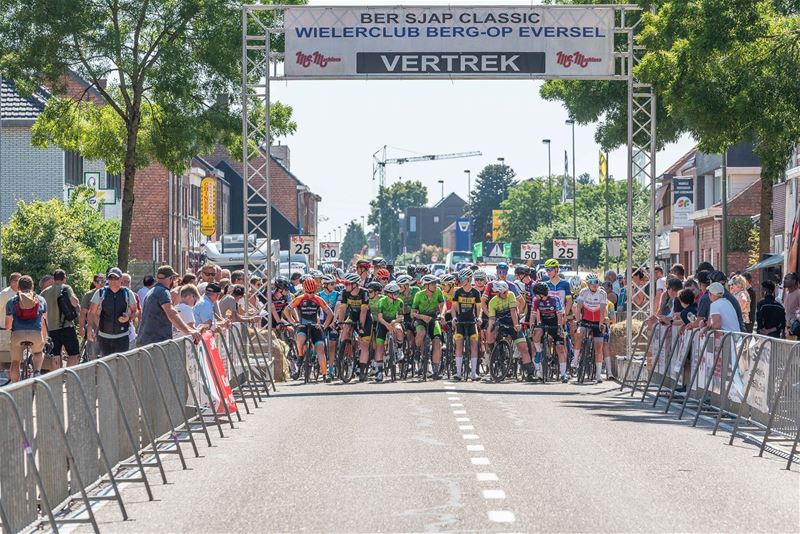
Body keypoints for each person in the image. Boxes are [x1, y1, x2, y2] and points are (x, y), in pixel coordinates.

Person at [138, 265, 202, 346]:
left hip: (146, 341)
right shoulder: (163, 292)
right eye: (174, 279)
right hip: (156, 343)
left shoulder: (151, 291)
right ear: (171, 278)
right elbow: (171, 313)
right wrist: (189, 331)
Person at [288, 278, 334, 381]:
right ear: (304, 290)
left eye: (312, 292)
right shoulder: (299, 298)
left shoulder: (318, 299)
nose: (310, 295)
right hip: (303, 326)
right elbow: (287, 310)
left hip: (315, 326)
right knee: (300, 337)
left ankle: (324, 375)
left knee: (320, 349)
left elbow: (330, 313)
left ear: (315, 290)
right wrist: (293, 322)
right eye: (308, 292)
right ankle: (300, 356)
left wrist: (324, 326)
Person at [486, 280, 533, 381]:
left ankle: (530, 373)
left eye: (507, 291)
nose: (506, 293)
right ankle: (494, 353)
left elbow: (513, 311)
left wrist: (516, 324)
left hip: (512, 322)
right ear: (498, 293)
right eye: (504, 292)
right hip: (500, 323)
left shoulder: (511, 295)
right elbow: (492, 319)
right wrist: (490, 329)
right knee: (490, 332)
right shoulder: (492, 302)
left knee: (523, 347)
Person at [5, 275, 48, 381]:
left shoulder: (12, 301)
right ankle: (37, 372)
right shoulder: (40, 300)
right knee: (38, 353)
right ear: (32, 286)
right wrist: (45, 338)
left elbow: (8, 326)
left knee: (15, 361)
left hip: (17, 333)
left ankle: (15, 386)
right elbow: (43, 322)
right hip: (35, 333)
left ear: (18, 287)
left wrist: (9, 328)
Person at [88, 268, 137, 357]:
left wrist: (128, 317)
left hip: (122, 337)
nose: (113, 281)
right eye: (110, 278)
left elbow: (135, 311)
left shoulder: (127, 293)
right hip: (104, 337)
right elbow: (91, 312)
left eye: (116, 278)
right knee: (107, 365)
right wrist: (90, 328)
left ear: (121, 279)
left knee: (121, 365)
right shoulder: (100, 293)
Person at [40, 269, 80, 368]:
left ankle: (56, 380)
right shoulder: (66, 288)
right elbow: (74, 302)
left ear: (53, 279)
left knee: (55, 356)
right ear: (64, 278)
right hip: (66, 326)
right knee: (73, 354)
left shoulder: (44, 292)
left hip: (51, 330)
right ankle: (69, 377)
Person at [573, 273, 608, 384]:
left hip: (598, 321)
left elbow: (602, 310)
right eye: (592, 282)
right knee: (579, 334)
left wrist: (601, 324)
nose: (594, 284)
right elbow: (578, 308)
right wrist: (578, 321)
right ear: (588, 284)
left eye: (596, 282)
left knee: (598, 347)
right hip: (586, 320)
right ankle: (575, 360)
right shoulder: (584, 292)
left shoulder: (602, 293)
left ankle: (598, 375)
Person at [530, 281, 568, 382]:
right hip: (544, 322)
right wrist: (531, 326)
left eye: (536, 294)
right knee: (536, 332)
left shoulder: (555, 299)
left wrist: (560, 327)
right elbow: (533, 314)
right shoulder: (536, 300)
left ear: (541, 294)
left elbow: (560, 314)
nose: (535, 296)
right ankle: (539, 352)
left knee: (560, 348)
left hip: (555, 323)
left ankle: (563, 374)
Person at [337, 273, 372, 381]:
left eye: (347, 284)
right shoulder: (344, 292)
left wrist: (361, 326)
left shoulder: (364, 292)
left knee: (364, 345)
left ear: (355, 285)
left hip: (365, 318)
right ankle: (344, 351)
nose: (345, 286)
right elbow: (342, 309)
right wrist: (341, 323)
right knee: (346, 328)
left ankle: (362, 372)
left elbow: (363, 311)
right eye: (345, 283)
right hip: (352, 316)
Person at [411, 274, 446, 379]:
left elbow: (442, 304)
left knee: (437, 342)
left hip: (433, 319)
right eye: (433, 283)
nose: (435, 285)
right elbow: (413, 312)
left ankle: (435, 369)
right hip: (421, 319)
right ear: (426, 286)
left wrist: (442, 315)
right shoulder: (418, 294)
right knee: (421, 333)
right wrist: (422, 316)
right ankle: (417, 350)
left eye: (435, 283)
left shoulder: (438, 291)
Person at [451, 269, 481, 381]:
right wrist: (454, 318)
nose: (461, 281)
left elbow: (479, 308)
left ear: (468, 279)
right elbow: (454, 308)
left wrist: (479, 318)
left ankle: (473, 373)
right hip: (460, 321)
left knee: (474, 346)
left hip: (471, 321)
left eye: (463, 279)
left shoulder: (476, 292)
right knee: (459, 346)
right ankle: (458, 373)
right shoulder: (457, 292)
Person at [374, 281, 404, 383]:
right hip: (382, 323)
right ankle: (378, 370)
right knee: (379, 346)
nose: (397, 295)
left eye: (398, 293)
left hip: (393, 321)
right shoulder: (382, 301)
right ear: (388, 294)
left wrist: (393, 322)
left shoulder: (399, 301)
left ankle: (399, 350)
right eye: (395, 293)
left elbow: (401, 317)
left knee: (399, 329)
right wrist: (387, 325)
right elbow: (380, 317)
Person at [80, 274, 106, 358]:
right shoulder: (88, 295)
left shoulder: (109, 293)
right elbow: (83, 312)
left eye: (104, 281)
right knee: (92, 353)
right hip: (93, 328)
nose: (102, 283)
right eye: (99, 281)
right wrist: (81, 327)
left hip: (106, 328)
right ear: (94, 283)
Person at [782, 272, 800, 339]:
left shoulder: (798, 293)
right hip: (788, 329)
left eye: (786, 279)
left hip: (796, 330)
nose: (784, 280)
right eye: (784, 278)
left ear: (794, 281)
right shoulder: (786, 294)